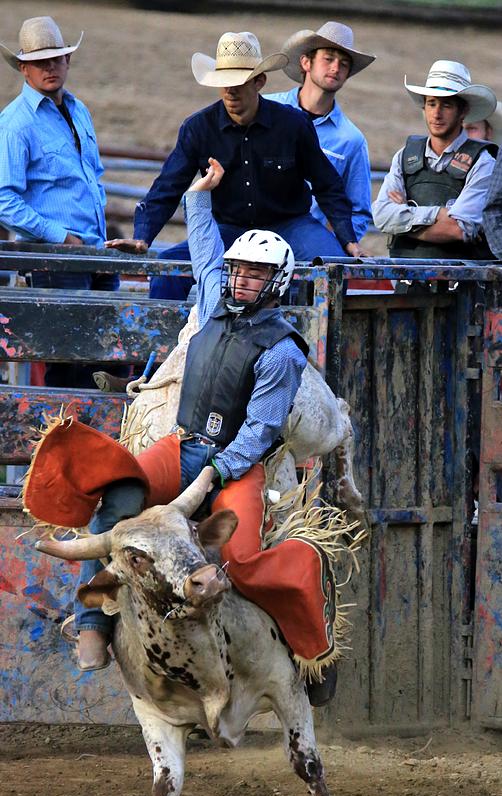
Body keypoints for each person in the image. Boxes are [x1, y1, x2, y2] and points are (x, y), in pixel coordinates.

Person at [25, 157, 341, 705]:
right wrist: (199, 197)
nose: (240, 278)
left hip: (235, 465)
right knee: (117, 494)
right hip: (183, 444)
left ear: (276, 282)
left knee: (241, 560)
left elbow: (259, 432)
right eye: (238, 269)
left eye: (254, 274)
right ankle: (92, 622)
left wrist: (210, 477)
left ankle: (305, 654)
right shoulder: (216, 300)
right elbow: (204, 251)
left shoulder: (282, 351)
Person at [124, 31, 362, 301]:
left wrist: (348, 239)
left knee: (334, 266)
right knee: (169, 269)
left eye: (239, 81)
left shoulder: (293, 125)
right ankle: (171, 342)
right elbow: (168, 186)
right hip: (229, 228)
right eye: (223, 82)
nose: (230, 90)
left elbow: (327, 184)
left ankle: (314, 340)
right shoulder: (198, 128)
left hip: (289, 225)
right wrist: (142, 236)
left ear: (259, 81)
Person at [0, 16, 124, 387]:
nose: (50, 68)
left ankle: (93, 443)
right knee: (66, 359)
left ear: (68, 61)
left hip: (92, 251)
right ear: (24, 69)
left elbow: (93, 177)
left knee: (104, 359)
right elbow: (4, 199)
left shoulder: (78, 110)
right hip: (56, 258)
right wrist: (61, 237)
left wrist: (98, 245)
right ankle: (64, 441)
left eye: (56, 59)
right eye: (40, 62)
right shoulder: (15, 123)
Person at [372, 60, 498, 260]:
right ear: (424, 106)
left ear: (463, 111)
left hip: (461, 284)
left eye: (446, 104)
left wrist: (404, 217)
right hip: (404, 278)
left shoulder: (483, 162)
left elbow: (459, 229)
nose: (437, 114)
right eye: (431, 103)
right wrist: (440, 215)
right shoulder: (405, 155)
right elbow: (381, 214)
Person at [265, 21, 375, 242]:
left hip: (307, 248)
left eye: (344, 64)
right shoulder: (266, 110)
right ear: (306, 62)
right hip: (250, 239)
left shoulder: (351, 140)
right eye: (328, 59)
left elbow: (359, 213)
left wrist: (326, 242)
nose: (336, 68)